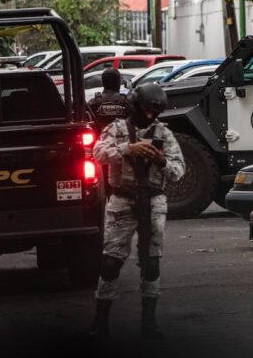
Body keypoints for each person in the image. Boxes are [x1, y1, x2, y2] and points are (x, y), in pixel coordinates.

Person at [89, 83, 185, 339]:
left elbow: (178, 172)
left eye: (156, 112)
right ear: (136, 106)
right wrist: (127, 149)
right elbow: (97, 154)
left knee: (151, 262)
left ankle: (149, 323)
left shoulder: (164, 134)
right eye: (147, 110)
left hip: (153, 200)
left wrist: (160, 159)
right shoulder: (117, 129)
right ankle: (100, 323)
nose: (151, 116)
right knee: (110, 262)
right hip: (123, 199)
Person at [88, 68, 131, 132]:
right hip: (122, 140)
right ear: (118, 82)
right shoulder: (126, 102)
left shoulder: (92, 103)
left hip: (99, 139)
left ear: (103, 82)